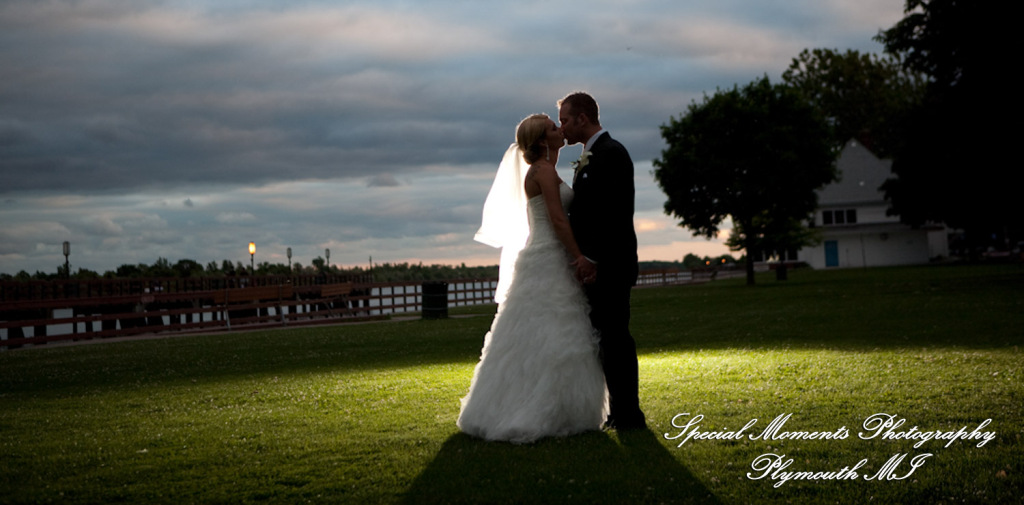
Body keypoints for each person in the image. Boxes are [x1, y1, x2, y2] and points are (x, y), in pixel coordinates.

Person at [458, 114, 608, 443]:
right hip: (549, 256)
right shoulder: (542, 171)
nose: (560, 129)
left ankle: (552, 406)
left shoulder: (544, 169)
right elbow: (557, 218)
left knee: (541, 334)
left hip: (545, 254)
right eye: (554, 128)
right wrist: (578, 256)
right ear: (543, 140)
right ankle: (542, 410)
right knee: (550, 333)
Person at [558, 91, 646, 431]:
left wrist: (591, 259)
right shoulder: (591, 155)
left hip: (611, 264)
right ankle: (617, 412)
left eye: (565, 120)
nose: (562, 127)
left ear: (583, 118)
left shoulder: (611, 153)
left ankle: (629, 414)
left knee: (616, 339)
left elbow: (613, 214)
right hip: (597, 266)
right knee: (606, 340)